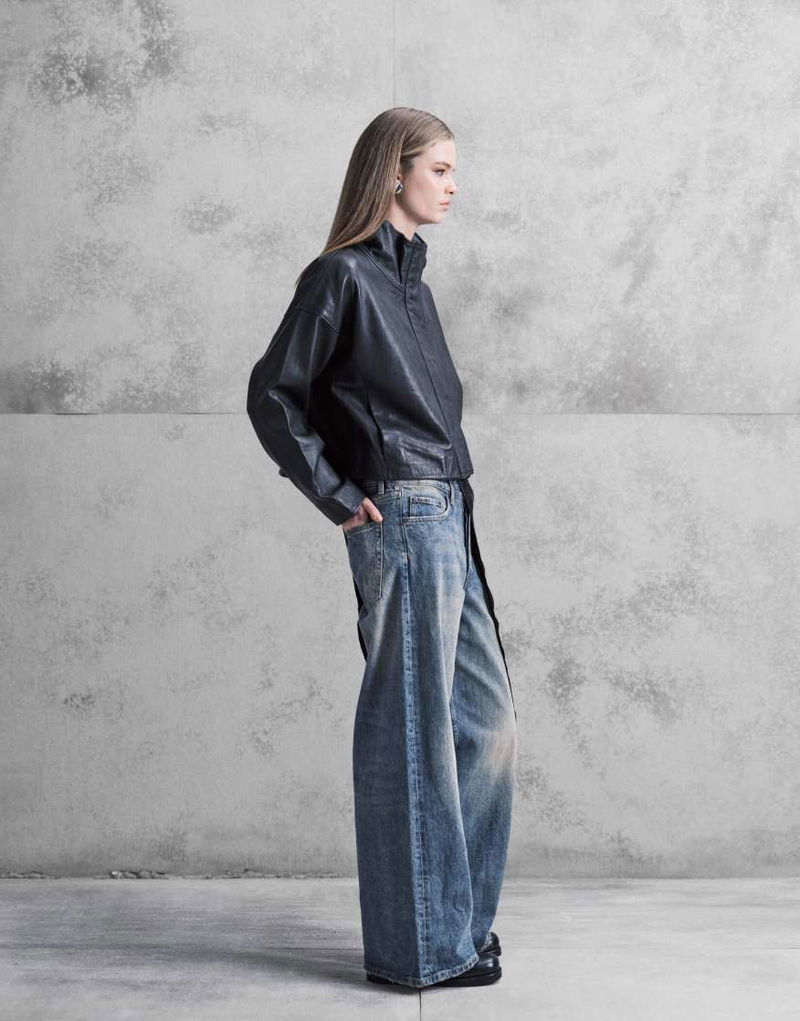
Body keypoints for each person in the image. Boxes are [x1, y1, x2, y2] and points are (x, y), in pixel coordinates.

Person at [246, 107, 517, 989]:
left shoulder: (413, 286)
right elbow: (272, 394)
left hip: (451, 509)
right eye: (440, 168)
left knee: (485, 726)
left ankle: (458, 928)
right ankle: (419, 950)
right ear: (392, 173)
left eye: (453, 169)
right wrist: (337, 495)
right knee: (412, 731)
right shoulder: (342, 276)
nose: (453, 184)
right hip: (400, 513)